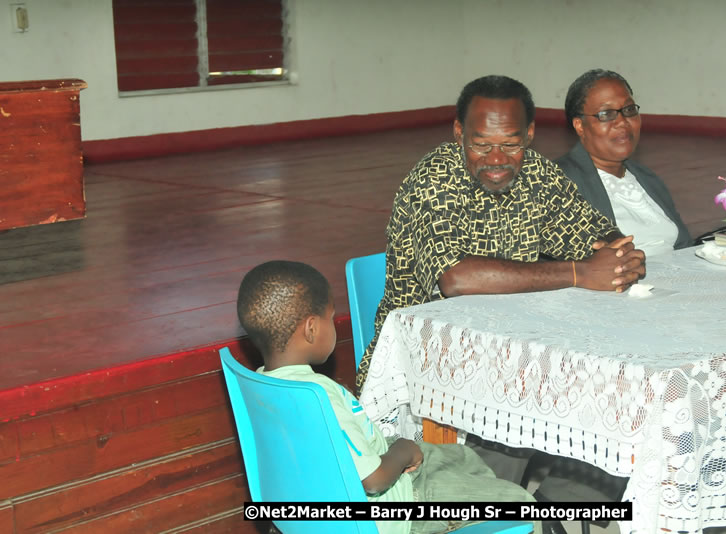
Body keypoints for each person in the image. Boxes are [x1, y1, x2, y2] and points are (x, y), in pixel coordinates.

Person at [353, 74, 645, 486]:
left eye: (510, 144)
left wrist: (621, 256)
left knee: (607, 387)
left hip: (510, 349)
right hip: (431, 366)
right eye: (481, 144)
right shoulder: (434, 179)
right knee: (530, 412)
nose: (495, 159)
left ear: (529, 135)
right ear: (459, 133)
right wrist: (579, 273)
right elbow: (455, 278)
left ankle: (563, 495)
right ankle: (485, 503)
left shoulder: (538, 174)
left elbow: (595, 232)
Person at [236, 260, 540, 534]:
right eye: (331, 317)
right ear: (312, 329)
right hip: (394, 508)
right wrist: (403, 452)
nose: (333, 325)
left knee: (462, 457)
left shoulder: (260, 383)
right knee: (521, 502)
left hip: (340, 496)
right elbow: (374, 480)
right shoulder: (318, 395)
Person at [555, 69, 692, 256]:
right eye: (606, 114)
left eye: (629, 110)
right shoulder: (558, 182)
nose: (622, 122)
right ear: (580, 125)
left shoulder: (646, 178)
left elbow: (685, 246)